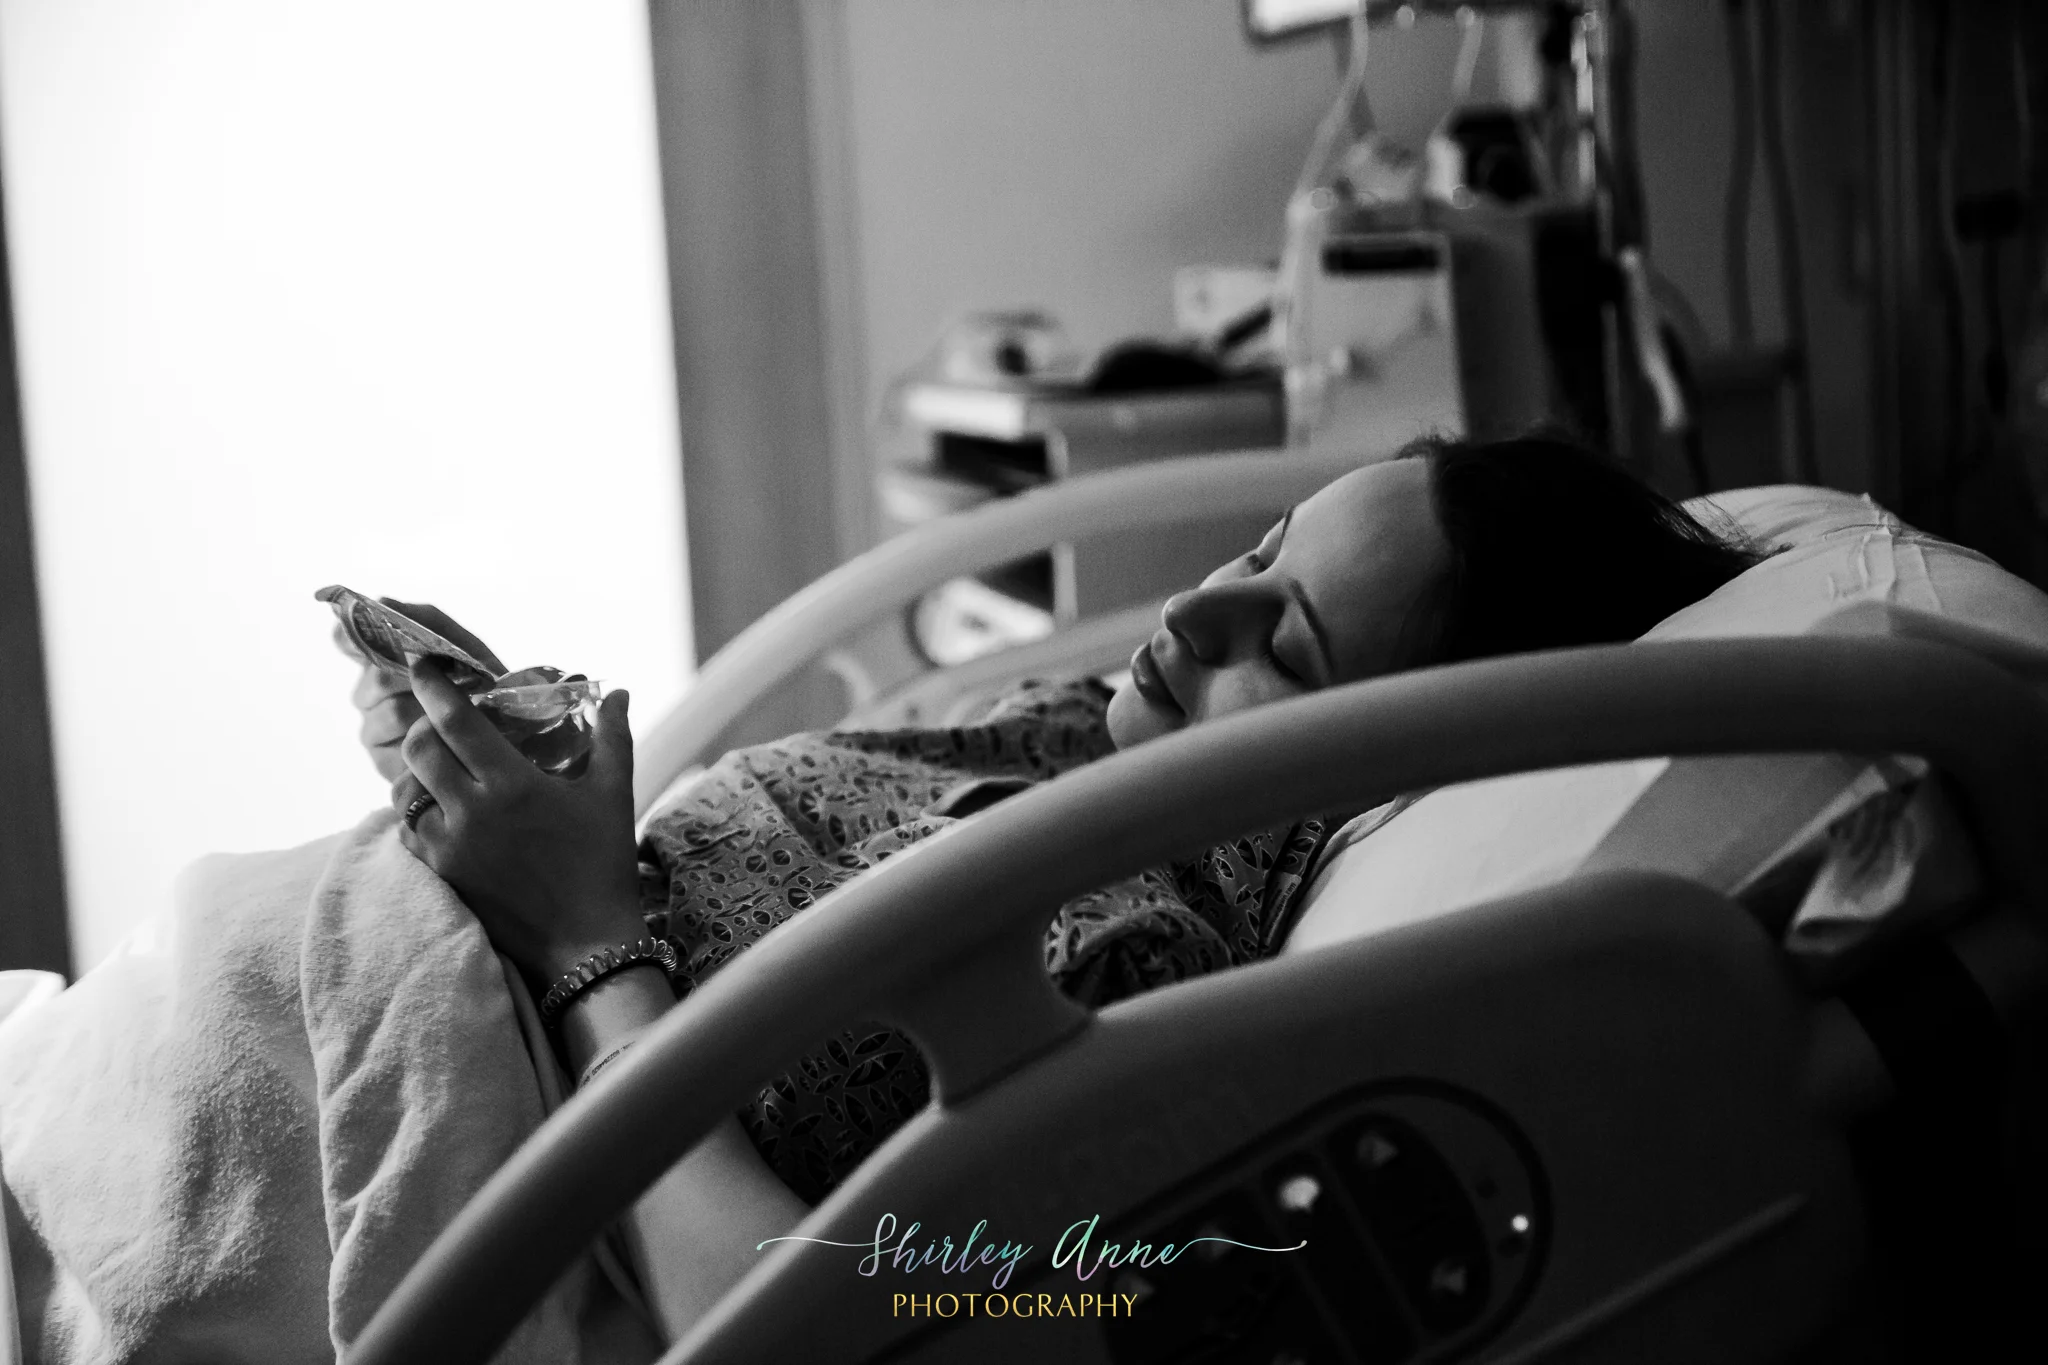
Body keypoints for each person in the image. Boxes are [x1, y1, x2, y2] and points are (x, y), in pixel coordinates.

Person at [364, 429, 1766, 1338]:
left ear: (1385, 777)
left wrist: (587, 940)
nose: (1193, 608)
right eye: (1261, 548)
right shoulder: (1074, 732)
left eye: (1285, 651)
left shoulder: (1131, 987)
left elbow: (800, 1327)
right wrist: (505, 774)